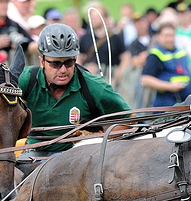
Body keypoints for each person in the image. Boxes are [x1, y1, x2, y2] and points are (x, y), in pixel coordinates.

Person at [17, 22, 131, 169]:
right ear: (42, 61)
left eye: (69, 62)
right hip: (35, 154)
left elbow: (129, 118)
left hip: (78, 160)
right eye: (56, 64)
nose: (63, 69)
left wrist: (99, 138)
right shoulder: (26, 79)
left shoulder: (93, 86)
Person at [140, 21, 191, 107]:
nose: (170, 39)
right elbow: (145, 80)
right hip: (166, 104)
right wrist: (170, 86)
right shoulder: (155, 54)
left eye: (172, 35)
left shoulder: (180, 52)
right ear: (159, 37)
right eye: (166, 36)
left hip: (184, 102)